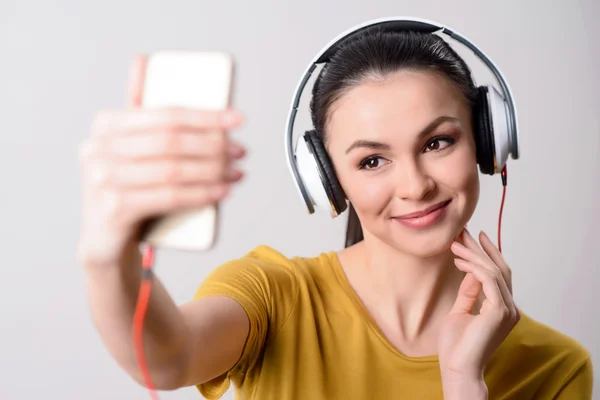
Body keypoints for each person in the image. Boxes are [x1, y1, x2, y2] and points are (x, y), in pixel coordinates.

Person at [77, 24, 593, 399]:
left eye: (438, 142)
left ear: (486, 139)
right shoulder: (275, 296)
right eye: (372, 160)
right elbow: (167, 359)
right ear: (327, 179)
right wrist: (107, 252)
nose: (414, 185)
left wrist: (463, 382)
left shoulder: (555, 367)